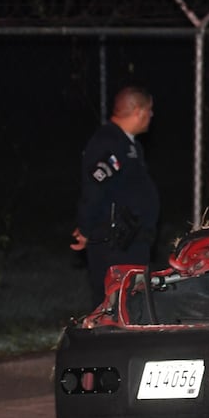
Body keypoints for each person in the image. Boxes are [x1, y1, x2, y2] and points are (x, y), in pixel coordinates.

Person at [70, 85, 160, 307]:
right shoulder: (108, 142)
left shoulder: (130, 145)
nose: (151, 115)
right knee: (113, 304)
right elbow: (94, 188)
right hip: (115, 243)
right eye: (149, 110)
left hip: (132, 240)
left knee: (133, 303)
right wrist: (85, 228)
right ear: (138, 111)